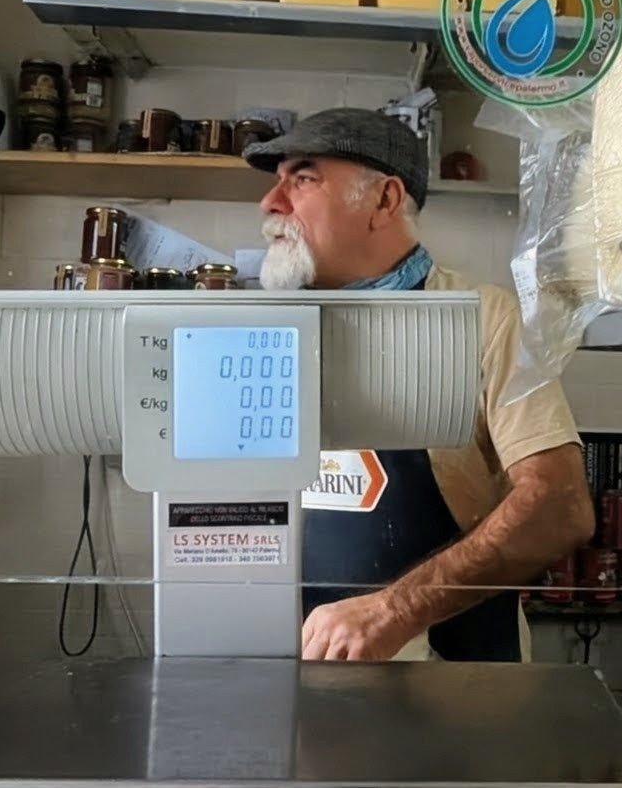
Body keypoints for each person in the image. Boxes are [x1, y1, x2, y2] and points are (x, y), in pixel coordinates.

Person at [244, 107, 594, 663]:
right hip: (299, 668)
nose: (270, 202)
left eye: (303, 178)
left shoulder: (483, 318)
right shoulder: (269, 330)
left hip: (454, 677)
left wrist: (395, 611)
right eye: (277, 180)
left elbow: (560, 506)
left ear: (384, 200)